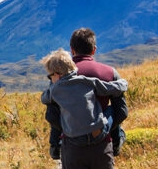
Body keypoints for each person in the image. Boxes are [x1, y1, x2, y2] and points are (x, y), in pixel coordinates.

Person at [46, 29, 128, 159]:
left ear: (72, 50)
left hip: (71, 142)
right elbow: (121, 112)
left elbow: (52, 114)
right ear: (94, 50)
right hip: (102, 142)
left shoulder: (61, 77)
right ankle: (116, 143)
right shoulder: (110, 73)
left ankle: (55, 147)